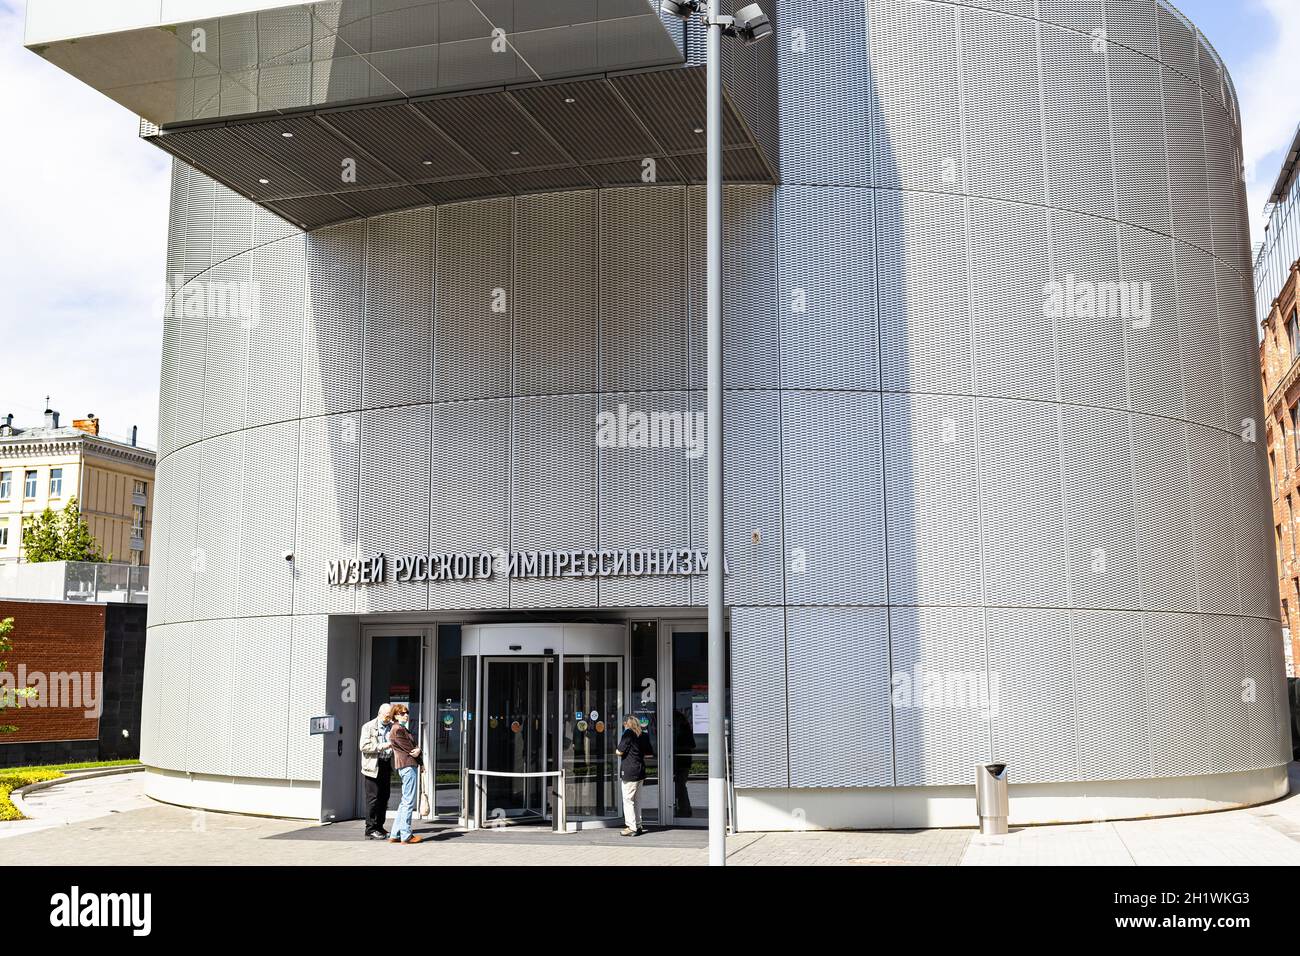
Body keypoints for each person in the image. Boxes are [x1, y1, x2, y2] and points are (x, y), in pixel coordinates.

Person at [387, 703, 423, 844]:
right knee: (408, 802)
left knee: (404, 802)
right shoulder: (398, 730)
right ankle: (406, 835)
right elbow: (411, 750)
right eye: (402, 713)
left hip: (406, 766)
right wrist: (419, 751)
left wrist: (418, 752)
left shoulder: (400, 728)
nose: (406, 715)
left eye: (406, 712)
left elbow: (413, 749)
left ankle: (395, 834)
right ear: (395, 716)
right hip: (408, 766)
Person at [359, 703, 393, 840]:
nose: (388, 718)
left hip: (386, 765)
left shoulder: (391, 726)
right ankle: (370, 829)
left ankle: (380, 826)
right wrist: (384, 746)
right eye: (386, 716)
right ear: (379, 714)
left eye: (390, 716)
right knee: (373, 799)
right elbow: (364, 746)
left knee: (384, 798)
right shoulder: (368, 727)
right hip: (373, 767)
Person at [616, 714, 654, 836]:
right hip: (640, 770)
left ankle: (631, 827)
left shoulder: (628, 734)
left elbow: (619, 751)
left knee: (628, 800)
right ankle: (638, 825)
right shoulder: (644, 735)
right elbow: (649, 754)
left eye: (624, 723)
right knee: (637, 800)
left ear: (626, 724)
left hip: (629, 770)